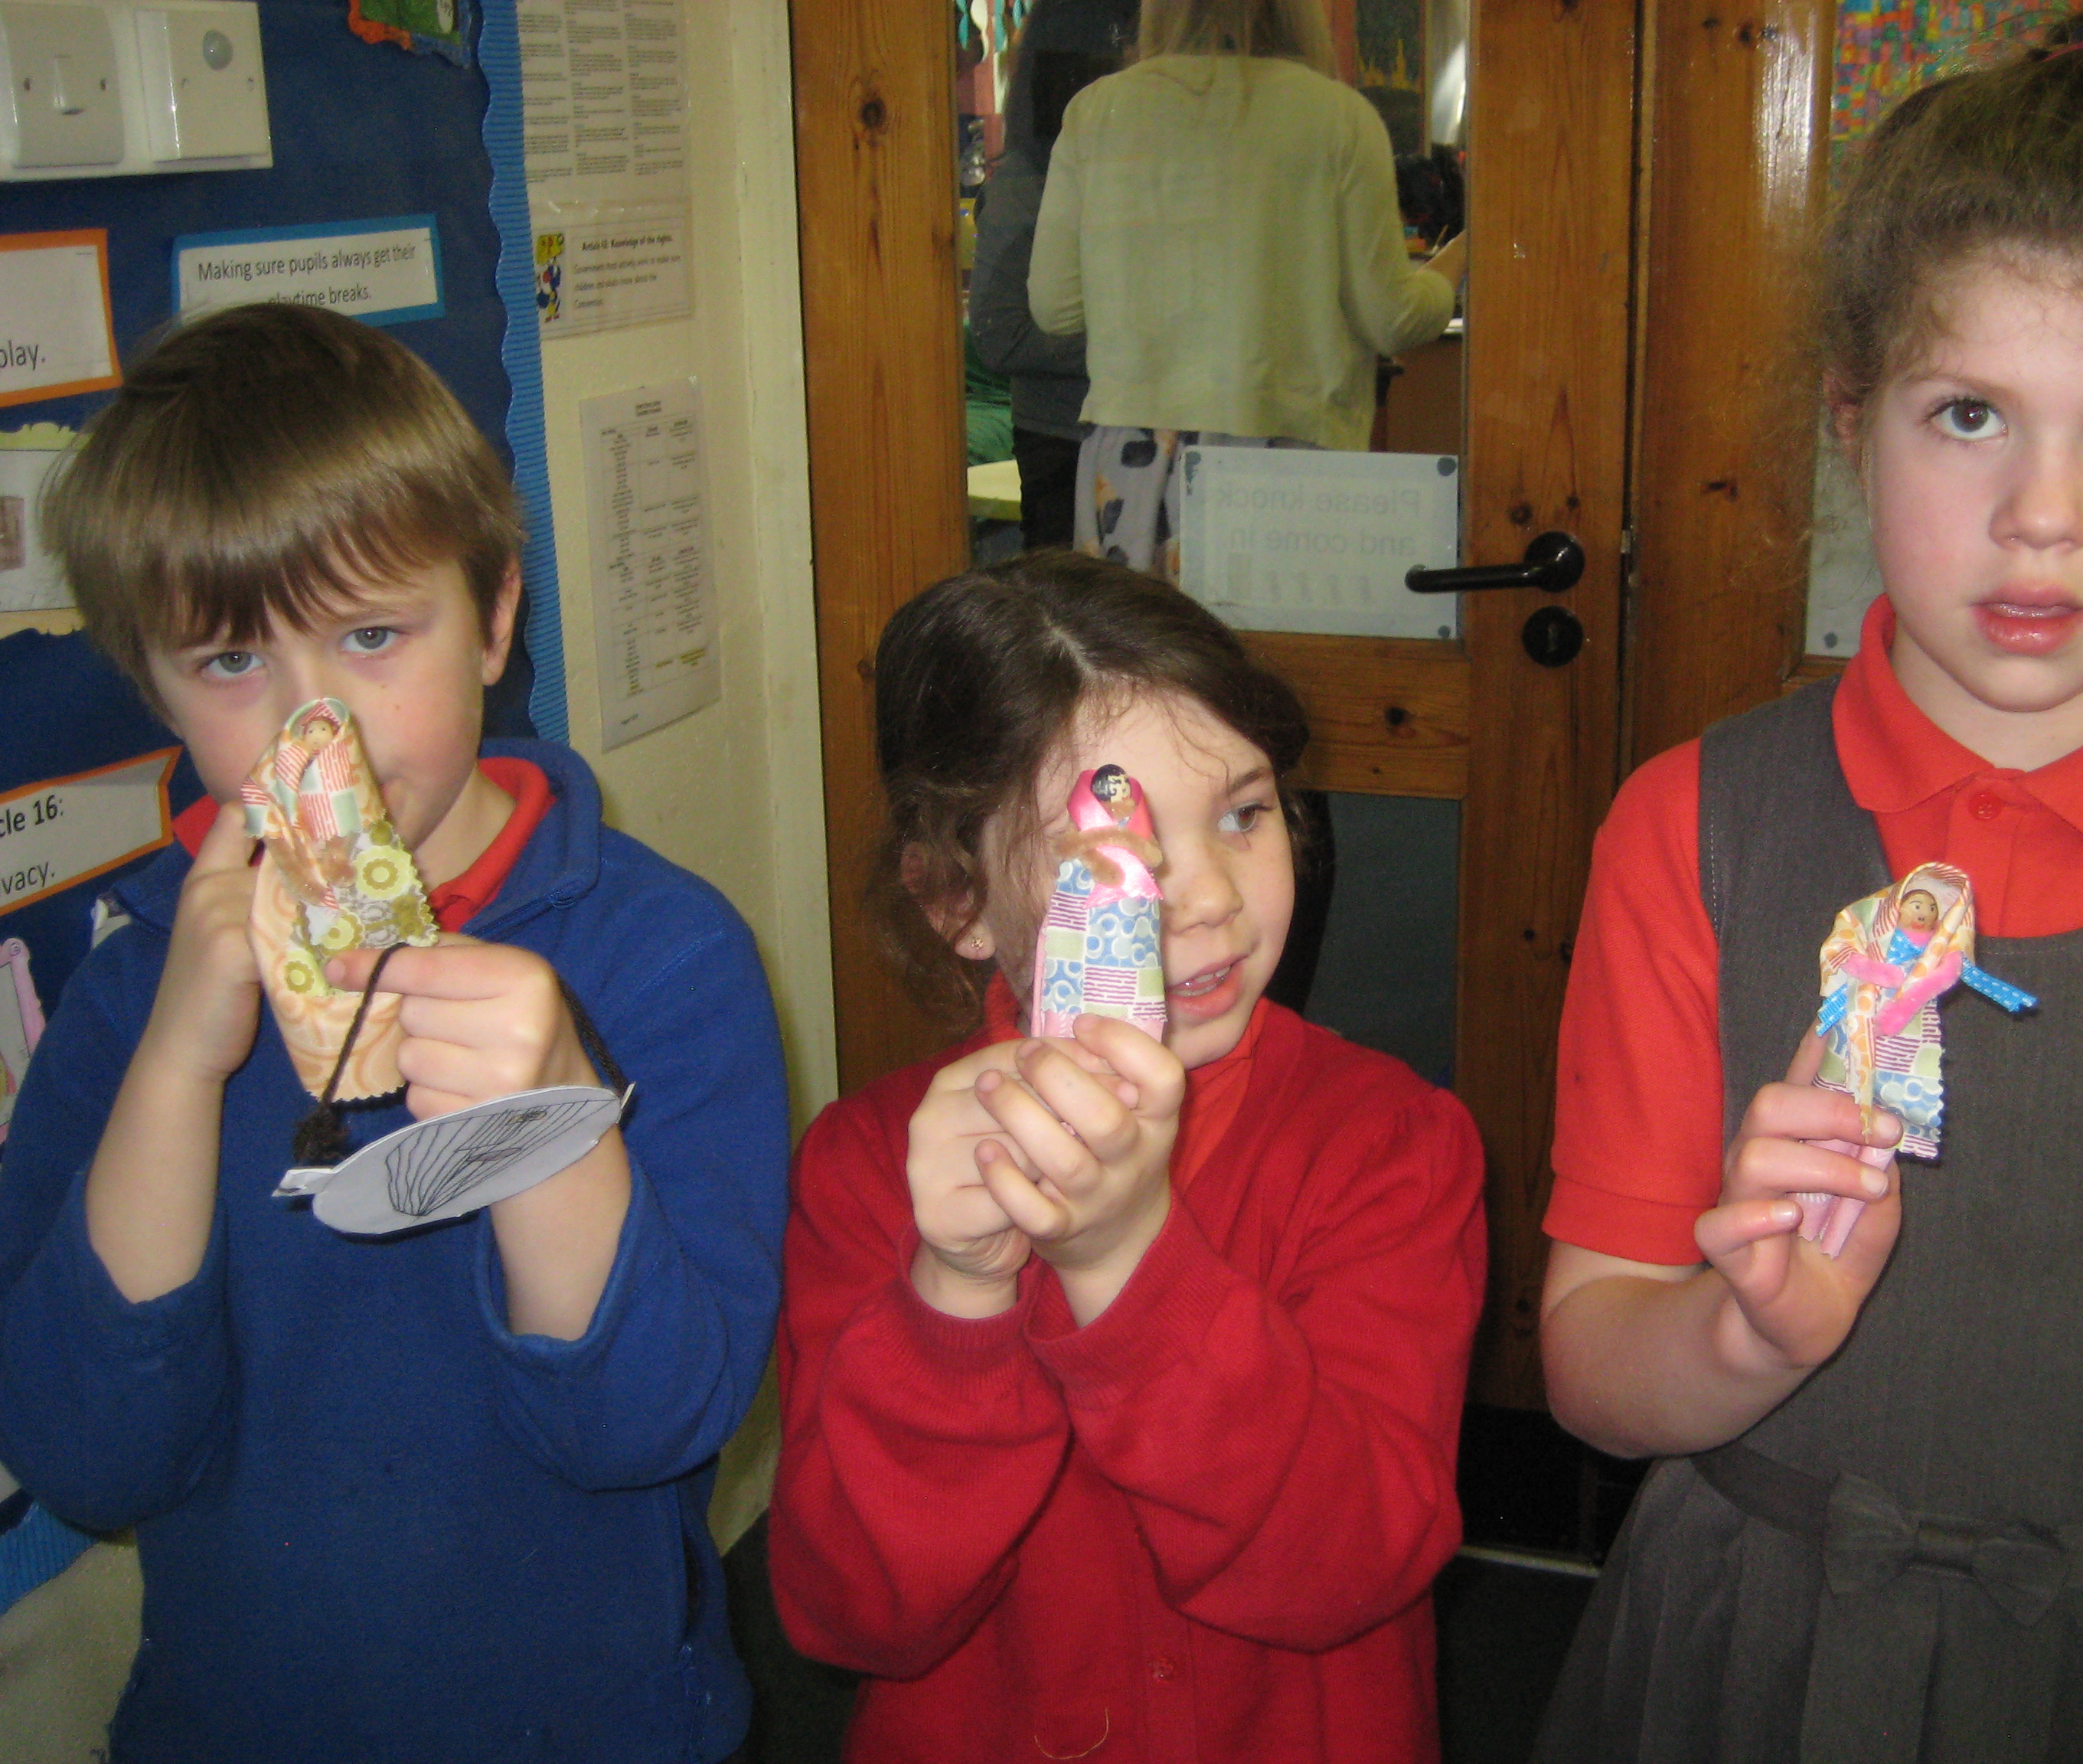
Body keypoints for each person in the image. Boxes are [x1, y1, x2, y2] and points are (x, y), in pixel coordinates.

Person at [1532, 6, 2083, 1756]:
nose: (2041, 512)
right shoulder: (1690, 827)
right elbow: (1590, 1367)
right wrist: (1744, 1336)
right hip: (1754, 1659)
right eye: (1968, 412)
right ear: (1851, 421)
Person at [0, 302, 789, 1763]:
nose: (320, 730)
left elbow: (652, 1426)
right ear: (150, 682)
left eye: (372, 635)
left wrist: (556, 1120)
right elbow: (90, 1459)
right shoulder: (127, 999)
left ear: (493, 618)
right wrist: (178, 1064)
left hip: (594, 1724)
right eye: (229, 661)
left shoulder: (665, 958)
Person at [766, 554, 1485, 1762]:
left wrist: (1123, 1261)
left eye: (1244, 814)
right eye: (1109, 853)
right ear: (954, 899)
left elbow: (1351, 1565)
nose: (1206, 899)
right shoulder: (867, 1170)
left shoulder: (1388, 1144)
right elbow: (851, 1614)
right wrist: (954, 1299)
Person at [1028, 0, 1466, 573]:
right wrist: (1462, 254)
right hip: (1286, 453)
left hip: (1133, 464)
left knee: (1141, 630)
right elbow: (1393, 318)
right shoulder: (1337, 116)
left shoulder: (1098, 111)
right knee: (1279, 629)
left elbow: (1055, 307)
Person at [968, 0, 1138, 549]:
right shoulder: (1026, 184)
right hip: (1064, 438)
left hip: (1132, 429)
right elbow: (1000, 334)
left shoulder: (1145, 166)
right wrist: (1137, 346)